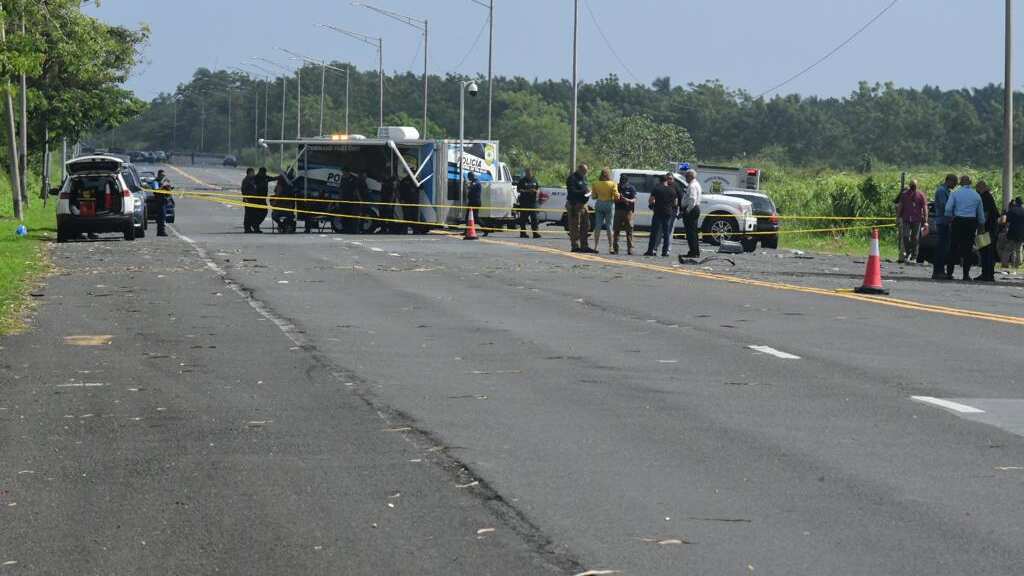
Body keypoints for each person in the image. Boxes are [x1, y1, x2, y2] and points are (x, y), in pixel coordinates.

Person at [944, 175, 986, 281]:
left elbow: (948, 209)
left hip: (958, 221)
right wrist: (981, 225)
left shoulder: (955, 193)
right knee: (968, 249)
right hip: (971, 223)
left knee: (953, 247)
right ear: (970, 183)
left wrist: (951, 218)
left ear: (960, 183)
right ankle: (966, 275)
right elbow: (980, 215)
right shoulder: (976, 195)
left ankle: (949, 273)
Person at [645, 173, 678, 257]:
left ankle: (651, 250)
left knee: (654, 232)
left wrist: (652, 206)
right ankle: (665, 251)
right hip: (668, 213)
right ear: (666, 180)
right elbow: (675, 203)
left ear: (659, 180)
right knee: (666, 233)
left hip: (658, 212)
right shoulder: (672, 190)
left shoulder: (656, 188)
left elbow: (651, 200)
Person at [932, 174, 957, 280]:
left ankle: (941, 270)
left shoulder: (948, 191)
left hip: (946, 222)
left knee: (944, 247)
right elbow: (944, 205)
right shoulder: (942, 191)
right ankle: (938, 271)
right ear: (948, 181)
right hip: (943, 221)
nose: (955, 185)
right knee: (941, 247)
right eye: (954, 182)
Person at [896, 179, 928, 264]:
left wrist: (925, 220)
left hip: (917, 220)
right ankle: (908, 251)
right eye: (912, 185)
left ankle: (914, 256)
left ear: (917, 186)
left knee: (915, 238)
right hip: (906, 219)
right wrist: (898, 217)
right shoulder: (904, 195)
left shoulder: (921, 195)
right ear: (910, 185)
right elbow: (900, 206)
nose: (913, 187)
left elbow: (925, 208)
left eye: (914, 185)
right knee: (905, 236)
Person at [975, 181, 1000, 282]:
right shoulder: (989, 197)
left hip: (986, 229)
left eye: (977, 188)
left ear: (980, 188)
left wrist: (980, 228)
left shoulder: (984, 198)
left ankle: (987, 275)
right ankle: (987, 274)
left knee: (986, 252)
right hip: (991, 229)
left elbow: (984, 215)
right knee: (986, 252)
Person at [566, 164, 594, 253]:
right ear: (579, 169)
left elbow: (585, 188)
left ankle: (584, 245)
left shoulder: (584, 178)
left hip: (583, 205)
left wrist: (588, 192)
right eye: (584, 171)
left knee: (586, 225)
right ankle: (575, 246)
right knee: (575, 226)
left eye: (586, 171)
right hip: (574, 205)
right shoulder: (572, 178)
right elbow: (572, 192)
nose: (585, 173)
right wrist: (584, 191)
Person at [591, 168, 619, 253]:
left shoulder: (595, 183)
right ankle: (611, 247)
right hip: (609, 204)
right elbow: (616, 195)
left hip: (599, 203)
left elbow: (593, 196)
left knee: (598, 226)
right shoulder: (613, 184)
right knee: (609, 226)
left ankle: (596, 247)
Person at [680, 169, 703, 258]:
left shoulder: (692, 185)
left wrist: (687, 210)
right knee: (693, 232)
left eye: (686, 176)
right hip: (694, 209)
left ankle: (693, 252)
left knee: (691, 233)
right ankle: (695, 251)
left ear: (691, 176)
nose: (685, 178)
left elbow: (692, 199)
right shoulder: (696, 184)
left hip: (692, 209)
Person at [612, 174, 637, 255]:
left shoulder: (631, 188)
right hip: (618, 210)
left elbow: (634, 199)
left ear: (627, 181)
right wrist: (619, 200)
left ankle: (630, 249)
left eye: (624, 180)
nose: (622, 182)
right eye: (621, 180)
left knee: (629, 231)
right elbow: (613, 198)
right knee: (616, 230)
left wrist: (627, 200)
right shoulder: (617, 187)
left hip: (628, 211)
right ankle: (615, 249)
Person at [1000, 197, 1024, 268]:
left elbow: (1004, 220)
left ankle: (1005, 263)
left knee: (1008, 249)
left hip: (1012, 232)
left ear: (1016, 202)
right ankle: (1018, 264)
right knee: (1018, 249)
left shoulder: (1012, 210)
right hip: (1022, 233)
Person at [249, 167, 274, 233]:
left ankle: (256, 225)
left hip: (262, 199)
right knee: (261, 212)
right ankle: (255, 225)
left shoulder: (265, 177)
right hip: (257, 198)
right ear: (261, 172)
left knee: (262, 212)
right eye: (263, 172)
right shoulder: (256, 178)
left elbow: (272, 178)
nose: (264, 174)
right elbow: (251, 184)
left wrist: (280, 177)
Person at [517, 169, 541, 238]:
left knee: (534, 218)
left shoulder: (534, 180)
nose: (529, 174)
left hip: (533, 202)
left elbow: (538, 188)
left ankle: (535, 233)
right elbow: (518, 190)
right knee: (523, 218)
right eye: (527, 173)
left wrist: (536, 191)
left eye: (530, 173)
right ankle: (523, 233)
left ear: (532, 173)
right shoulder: (522, 180)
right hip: (524, 202)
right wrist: (527, 191)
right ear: (525, 173)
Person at [153, 169, 171, 237]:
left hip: (164, 201)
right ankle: (161, 231)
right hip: (159, 201)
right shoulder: (156, 182)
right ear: (159, 175)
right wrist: (163, 186)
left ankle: (161, 231)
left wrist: (168, 187)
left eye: (164, 175)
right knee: (161, 217)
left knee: (163, 217)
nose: (163, 176)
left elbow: (168, 191)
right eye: (162, 175)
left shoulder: (166, 181)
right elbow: (156, 190)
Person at [241, 168, 260, 233]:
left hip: (253, 200)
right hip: (248, 200)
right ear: (249, 173)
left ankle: (253, 228)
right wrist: (246, 198)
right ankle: (247, 228)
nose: (254, 173)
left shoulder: (252, 179)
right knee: (248, 215)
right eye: (253, 172)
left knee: (253, 214)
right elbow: (243, 190)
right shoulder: (246, 180)